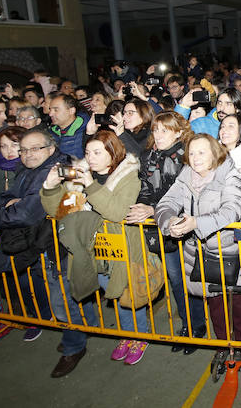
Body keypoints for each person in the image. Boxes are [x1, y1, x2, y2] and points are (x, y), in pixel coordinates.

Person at [41, 131, 149, 369]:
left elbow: (117, 212)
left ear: (113, 152)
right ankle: (126, 334)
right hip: (93, 251)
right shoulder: (78, 180)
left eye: (97, 152)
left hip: (122, 249)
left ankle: (141, 336)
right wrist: (50, 188)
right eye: (88, 152)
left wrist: (90, 184)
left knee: (128, 295)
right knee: (111, 293)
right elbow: (61, 213)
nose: (90, 158)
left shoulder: (127, 177)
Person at [154, 134, 241, 365]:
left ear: (215, 153)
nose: (195, 158)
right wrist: (169, 223)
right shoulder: (185, 177)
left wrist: (197, 223)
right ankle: (222, 344)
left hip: (229, 252)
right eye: (192, 153)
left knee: (236, 302)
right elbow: (165, 204)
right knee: (213, 302)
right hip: (198, 253)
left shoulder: (228, 174)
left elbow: (232, 211)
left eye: (202, 152)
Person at [0, 128, 60, 342]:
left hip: (42, 236)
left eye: (14, 146)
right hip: (18, 236)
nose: (11, 151)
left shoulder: (47, 168)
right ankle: (40, 317)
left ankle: (67, 331)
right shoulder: (8, 169)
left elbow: (27, 211)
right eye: (4, 146)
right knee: (26, 282)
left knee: (50, 283)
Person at [125, 111, 199, 353]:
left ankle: (197, 326)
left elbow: (187, 196)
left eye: (164, 130)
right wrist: (143, 206)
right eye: (155, 130)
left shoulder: (188, 157)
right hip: (160, 227)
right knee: (176, 279)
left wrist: (152, 209)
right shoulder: (148, 156)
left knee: (191, 278)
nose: (157, 135)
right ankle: (188, 326)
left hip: (184, 227)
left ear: (179, 132)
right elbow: (145, 186)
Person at [48, 94, 87, 159]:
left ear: (71, 111)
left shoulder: (86, 132)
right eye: (50, 110)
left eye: (56, 110)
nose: (50, 114)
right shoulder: (50, 133)